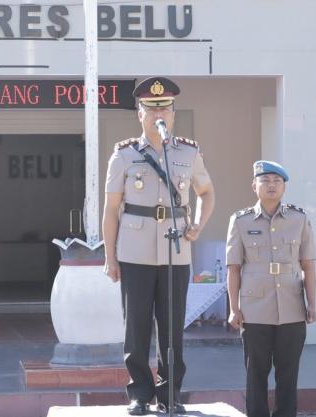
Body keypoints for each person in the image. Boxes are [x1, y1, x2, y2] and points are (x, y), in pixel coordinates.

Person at [102, 77, 216, 415]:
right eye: (151, 109)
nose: (157, 114)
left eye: (163, 108)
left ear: (173, 113)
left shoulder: (187, 152)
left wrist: (197, 224)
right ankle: (139, 394)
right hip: (134, 250)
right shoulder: (123, 156)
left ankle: (170, 395)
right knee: (136, 327)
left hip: (175, 251)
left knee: (171, 328)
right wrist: (110, 257)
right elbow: (111, 210)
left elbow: (206, 193)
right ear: (139, 114)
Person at [225, 160, 316, 417]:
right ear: (254, 186)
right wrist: (234, 309)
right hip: (255, 309)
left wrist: (312, 304)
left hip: (292, 307)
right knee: (256, 373)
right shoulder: (240, 221)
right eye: (265, 181)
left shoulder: (299, 219)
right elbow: (233, 269)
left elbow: (308, 265)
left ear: (284, 187)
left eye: (277, 181)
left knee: (288, 375)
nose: (271, 186)